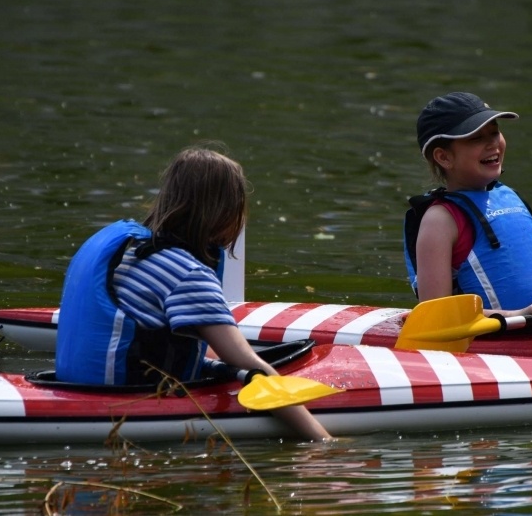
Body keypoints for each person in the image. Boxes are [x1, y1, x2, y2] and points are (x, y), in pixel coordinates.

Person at [56, 145, 331, 441]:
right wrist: (323, 441)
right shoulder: (188, 274)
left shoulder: (134, 251)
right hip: (127, 401)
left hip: (79, 385)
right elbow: (248, 365)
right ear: (225, 212)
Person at [403, 92, 532, 326]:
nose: (492, 143)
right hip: (506, 340)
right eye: (476, 138)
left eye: (495, 132)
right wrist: (515, 315)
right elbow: (436, 313)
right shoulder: (440, 220)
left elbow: (526, 276)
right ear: (444, 157)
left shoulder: (510, 197)